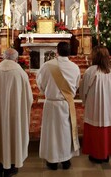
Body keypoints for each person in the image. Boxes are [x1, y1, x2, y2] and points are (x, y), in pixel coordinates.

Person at [0, 48, 33, 177]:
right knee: (13, 135)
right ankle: (11, 167)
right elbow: (29, 98)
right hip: (14, 115)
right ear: (16, 59)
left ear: (3, 57)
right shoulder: (20, 73)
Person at [36, 41, 81, 170]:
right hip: (67, 103)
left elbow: (41, 84)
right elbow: (76, 85)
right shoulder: (75, 67)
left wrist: (48, 92)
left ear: (57, 51)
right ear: (69, 52)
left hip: (51, 104)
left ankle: (52, 161)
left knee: (52, 132)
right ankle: (66, 160)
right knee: (66, 132)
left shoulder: (47, 66)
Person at [79, 46, 111, 163]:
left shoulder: (91, 71)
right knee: (106, 130)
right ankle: (105, 154)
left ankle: (96, 154)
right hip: (109, 106)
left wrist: (84, 100)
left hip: (94, 105)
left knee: (95, 129)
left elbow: (83, 88)